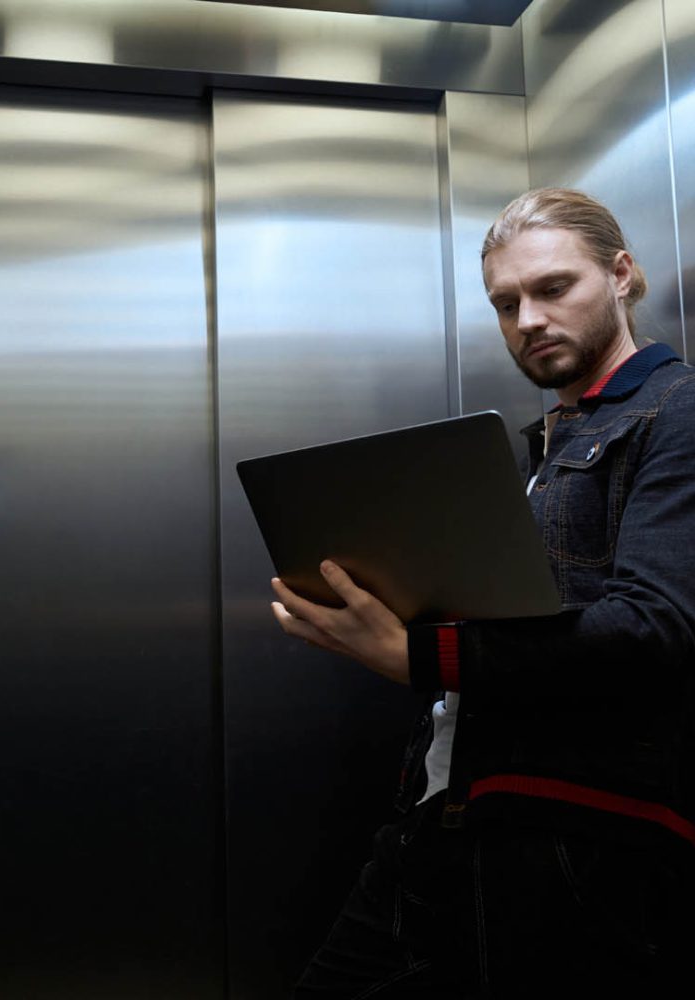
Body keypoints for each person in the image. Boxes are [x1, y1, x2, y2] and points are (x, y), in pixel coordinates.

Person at [271, 188, 695, 998]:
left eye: (553, 288)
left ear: (623, 275)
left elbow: (653, 628)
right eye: (506, 302)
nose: (527, 318)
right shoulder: (540, 451)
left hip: (579, 839)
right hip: (444, 819)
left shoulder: (675, 411)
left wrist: (418, 653)